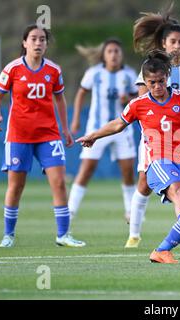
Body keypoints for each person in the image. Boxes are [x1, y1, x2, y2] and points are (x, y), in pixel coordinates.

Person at [76, 50, 180, 263]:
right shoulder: (138, 104)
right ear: (145, 81)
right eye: (152, 83)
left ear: (167, 77)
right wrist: (94, 135)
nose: (157, 87)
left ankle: (162, 250)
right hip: (158, 162)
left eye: (161, 81)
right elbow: (117, 124)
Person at [0, 24, 85, 248]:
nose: (38, 43)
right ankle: (8, 235)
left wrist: (65, 129)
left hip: (48, 135)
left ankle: (63, 235)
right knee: (16, 186)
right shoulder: (13, 69)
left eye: (42, 39)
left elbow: (60, 99)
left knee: (59, 183)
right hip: (19, 135)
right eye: (33, 39)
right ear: (24, 43)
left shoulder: (53, 70)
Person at [124, 5, 180, 248]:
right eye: (173, 41)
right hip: (156, 135)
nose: (178, 45)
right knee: (144, 183)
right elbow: (142, 103)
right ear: (164, 43)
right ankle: (134, 233)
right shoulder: (152, 70)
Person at [68, 38, 138, 224]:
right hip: (97, 128)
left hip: (122, 129)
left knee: (128, 170)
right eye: (110, 51)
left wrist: (128, 98)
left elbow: (139, 97)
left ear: (121, 54)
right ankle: (70, 211)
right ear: (104, 55)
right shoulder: (94, 73)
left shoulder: (129, 75)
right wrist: (75, 119)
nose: (114, 54)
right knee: (87, 169)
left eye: (117, 51)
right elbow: (81, 93)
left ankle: (131, 212)